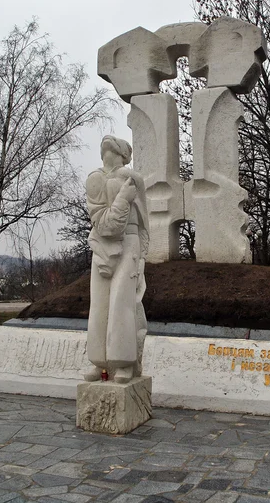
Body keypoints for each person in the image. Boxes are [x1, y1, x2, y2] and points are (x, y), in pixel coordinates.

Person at [84, 135, 149, 384]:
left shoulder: (134, 178)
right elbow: (105, 225)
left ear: (125, 154)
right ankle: (99, 362)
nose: (108, 142)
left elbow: (144, 224)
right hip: (102, 244)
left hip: (130, 241)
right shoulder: (95, 179)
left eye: (116, 144)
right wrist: (122, 199)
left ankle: (125, 363)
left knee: (122, 303)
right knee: (99, 305)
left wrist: (142, 257)